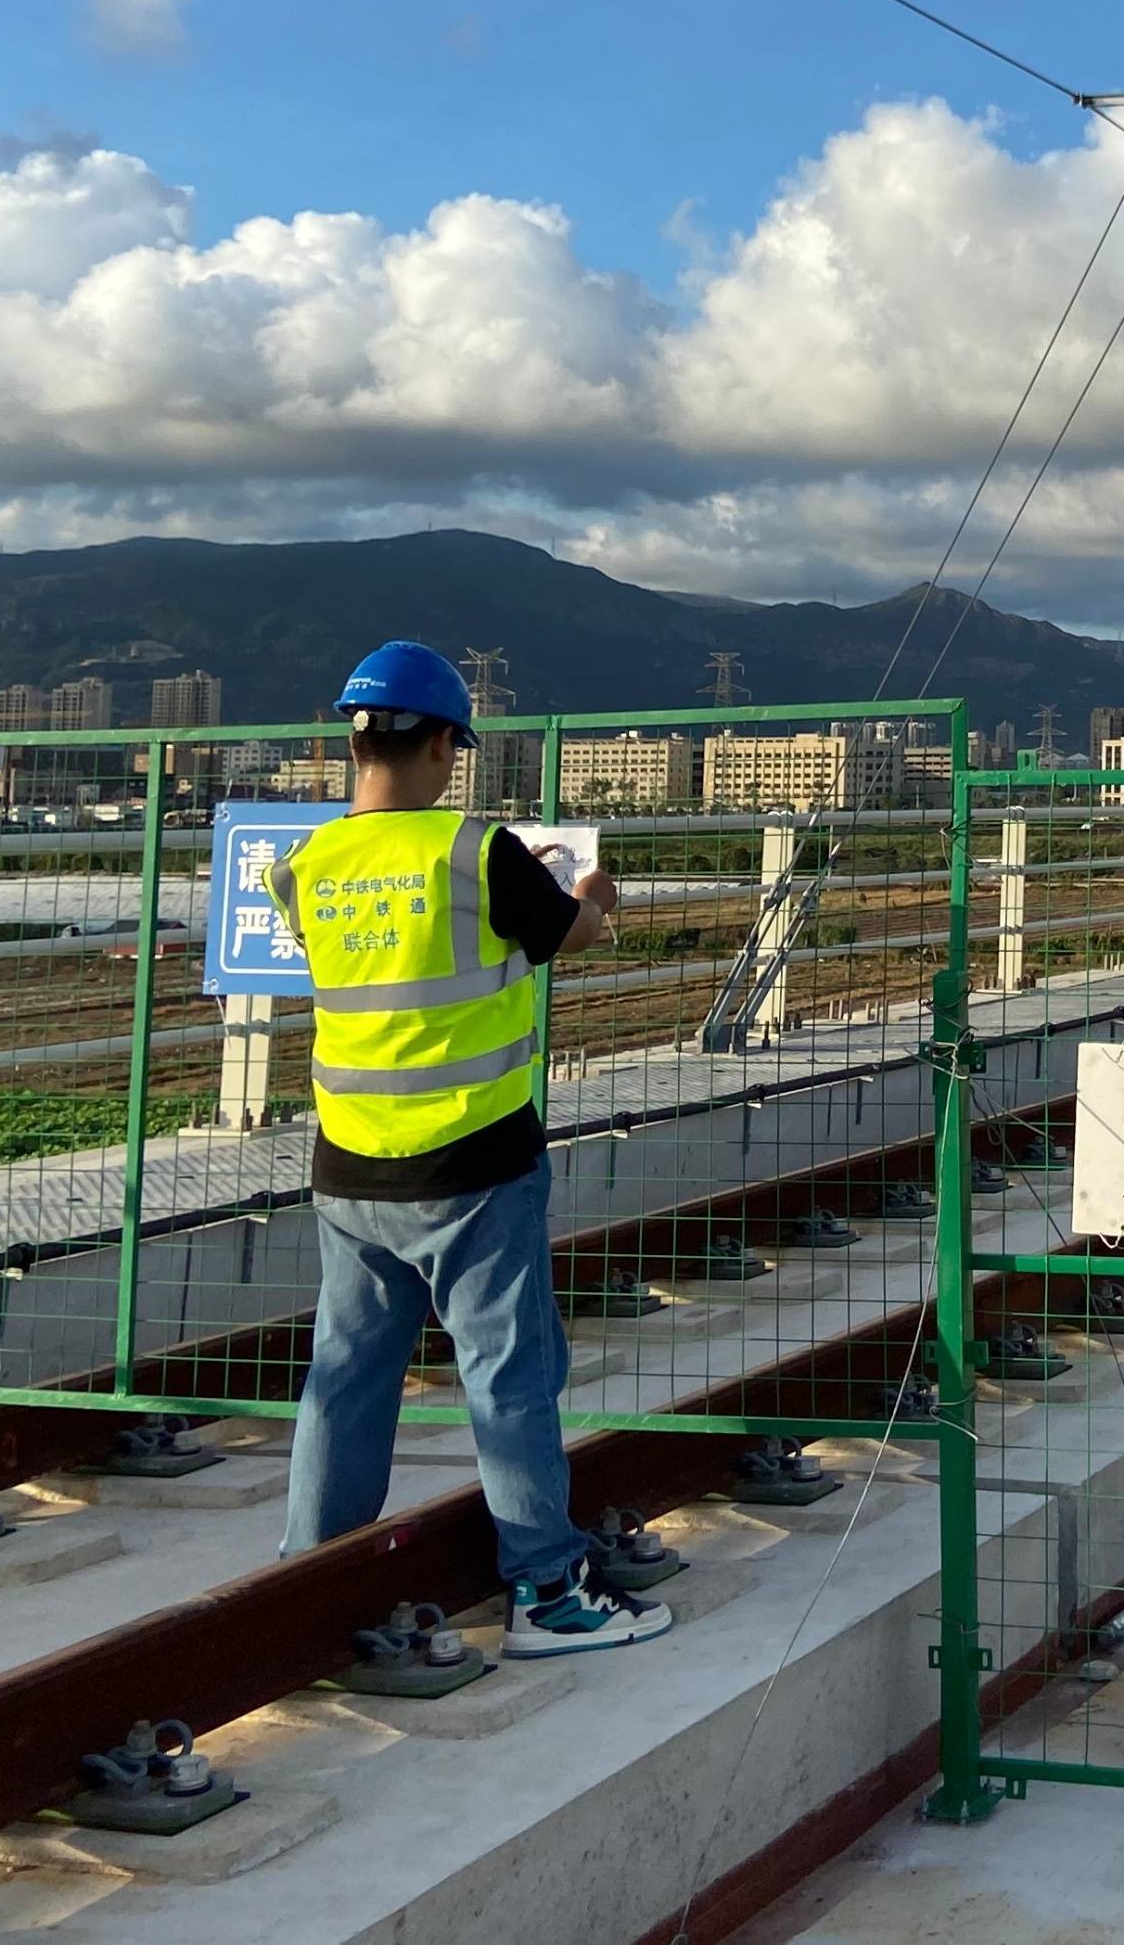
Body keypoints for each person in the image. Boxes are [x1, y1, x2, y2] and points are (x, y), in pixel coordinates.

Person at [269, 638, 670, 1657]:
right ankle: (545, 1589)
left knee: (346, 1375)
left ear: (354, 736)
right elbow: (562, 935)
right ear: (445, 743)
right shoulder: (473, 850)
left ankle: (312, 1577)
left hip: (350, 1165)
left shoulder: (304, 864)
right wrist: (592, 897)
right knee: (508, 1372)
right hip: (473, 1165)